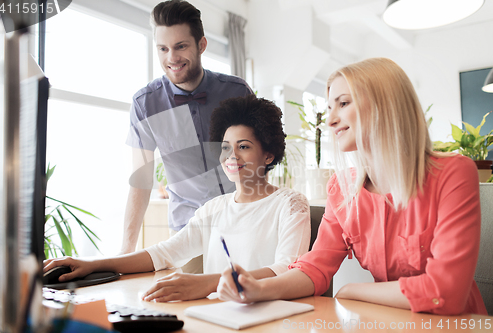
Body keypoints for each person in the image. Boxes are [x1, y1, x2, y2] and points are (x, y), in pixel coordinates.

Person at [217, 58, 488, 315]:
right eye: (330, 108)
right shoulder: (342, 188)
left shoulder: (454, 172)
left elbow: (446, 292)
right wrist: (259, 288)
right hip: (388, 323)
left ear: (386, 104)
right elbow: (315, 268)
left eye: (343, 103)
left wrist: (353, 291)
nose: (330, 120)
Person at [44, 94, 311, 302]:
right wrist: (93, 263)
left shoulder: (290, 204)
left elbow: (287, 269)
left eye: (243, 147)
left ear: (268, 155)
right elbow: (165, 253)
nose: (232, 156)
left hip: (269, 317)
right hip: (218, 315)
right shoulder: (213, 209)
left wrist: (210, 282)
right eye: (226, 147)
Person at [121, 0, 253, 273]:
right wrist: (125, 252)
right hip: (188, 232)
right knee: (192, 310)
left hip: (244, 223)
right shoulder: (145, 104)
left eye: (181, 46)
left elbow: (259, 157)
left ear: (201, 45)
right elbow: (141, 181)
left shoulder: (237, 91)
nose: (172, 58)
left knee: (252, 304)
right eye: (163, 49)